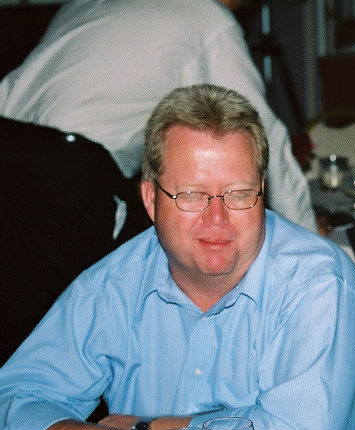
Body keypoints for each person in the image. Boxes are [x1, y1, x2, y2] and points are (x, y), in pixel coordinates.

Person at [0, 84, 355, 430]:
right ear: (150, 199)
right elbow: (13, 404)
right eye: (192, 195)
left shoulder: (318, 284)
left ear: (262, 191)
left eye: (239, 194)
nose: (217, 218)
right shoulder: (114, 285)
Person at [0, 0, 317, 363]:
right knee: (68, 338)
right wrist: (307, 243)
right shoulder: (207, 17)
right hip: (60, 174)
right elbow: (260, 139)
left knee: (21, 328)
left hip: (9, 150)